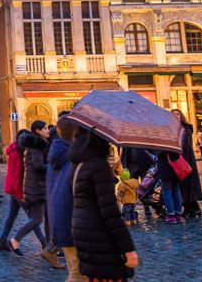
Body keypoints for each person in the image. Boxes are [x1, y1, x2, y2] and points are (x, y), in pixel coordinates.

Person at [70, 127, 138, 281]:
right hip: (101, 237)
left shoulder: (79, 163)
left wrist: (110, 175)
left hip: (83, 232)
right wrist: (128, 249)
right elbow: (110, 212)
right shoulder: (98, 165)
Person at [11, 121, 61, 267]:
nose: (48, 130)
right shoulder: (36, 146)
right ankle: (15, 240)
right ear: (38, 131)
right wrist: (52, 166)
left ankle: (49, 250)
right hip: (36, 187)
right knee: (38, 219)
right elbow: (38, 166)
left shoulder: (39, 144)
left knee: (48, 219)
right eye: (45, 128)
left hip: (39, 186)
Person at [47, 115, 84, 282]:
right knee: (78, 274)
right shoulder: (74, 158)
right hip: (76, 223)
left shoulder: (55, 154)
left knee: (75, 272)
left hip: (60, 222)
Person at [0, 123, 25, 254]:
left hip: (11, 186)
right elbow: (19, 173)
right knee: (34, 219)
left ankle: (2, 239)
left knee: (12, 215)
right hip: (17, 188)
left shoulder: (12, 149)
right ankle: (46, 246)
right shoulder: (19, 153)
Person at [173, 110, 202, 218]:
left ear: (181, 116)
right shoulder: (173, 129)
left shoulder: (186, 129)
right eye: (173, 114)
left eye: (177, 114)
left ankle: (195, 208)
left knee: (189, 185)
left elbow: (185, 145)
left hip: (186, 160)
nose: (175, 116)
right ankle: (187, 208)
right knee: (182, 186)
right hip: (177, 160)